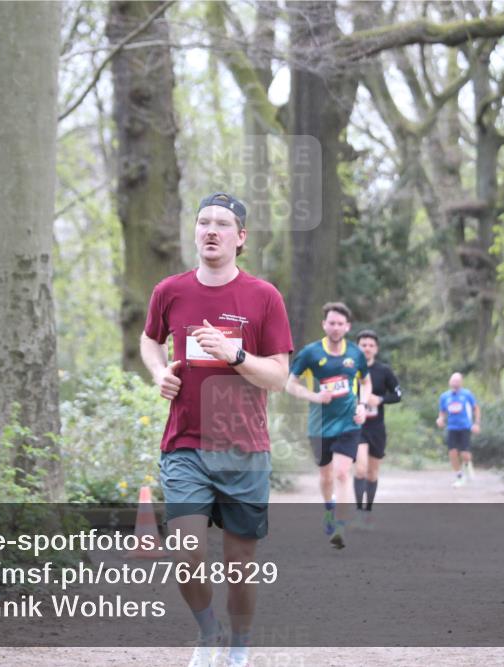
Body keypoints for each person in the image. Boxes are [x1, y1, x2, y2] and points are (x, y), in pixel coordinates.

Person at [140, 192, 292, 667]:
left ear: (240, 237)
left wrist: (236, 354)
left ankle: (240, 644)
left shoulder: (264, 297)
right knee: (186, 553)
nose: (211, 230)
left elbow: (279, 376)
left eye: (222, 224)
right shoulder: (170, 291)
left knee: (240, 567)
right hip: (184, 444)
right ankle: (208, 632)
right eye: (203, 221)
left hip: (245, 449)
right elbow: (149, 339)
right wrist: (158, 372)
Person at [285, 302, 371, 549]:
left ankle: (341, 527)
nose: (335, 327)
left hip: (349, 423)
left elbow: (366, 383)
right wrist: (314, 397)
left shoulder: (355, 354)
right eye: (331, 323)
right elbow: (290, 385)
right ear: (324, 325)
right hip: (320, 425)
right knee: (325, 476)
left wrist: (362, 405)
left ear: (348, 327)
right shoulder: (310, 353)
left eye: (340, 324)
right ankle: (329, 509)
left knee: (342, 473)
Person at [353, 330, 402, 526]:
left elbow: (398, 395)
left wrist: (380, 399)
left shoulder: (384, 371)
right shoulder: (350, 369)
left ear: (376, 349)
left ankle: (368, 511)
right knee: (360, 469)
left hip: (377, 428)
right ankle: (358, 511)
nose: (367, 348)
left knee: (372, 473)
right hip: (357, 427)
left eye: (371, 345)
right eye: (363, 345)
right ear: (357, 348)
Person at [436, 372, 480, 487]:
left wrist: (476, 423)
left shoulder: (467, 394)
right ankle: (459, 475)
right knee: (452, 452)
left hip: (465, 427)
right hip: (452, 428)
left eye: (457, 381)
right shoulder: (445, 396)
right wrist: (440, 419)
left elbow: (476, 408)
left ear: (461, 382)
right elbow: (442, 411)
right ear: (449, 382)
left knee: (465, 454)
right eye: (453, 381)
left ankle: (468, 464)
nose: (454, 383)